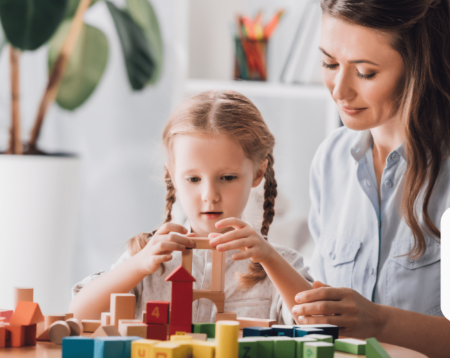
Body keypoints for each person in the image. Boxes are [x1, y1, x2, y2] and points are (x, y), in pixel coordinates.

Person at [291, 0, 450, 358]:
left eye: (365, 72)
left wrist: (379, 322)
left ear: (420, 66)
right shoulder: (331, 160)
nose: (340, 90)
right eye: (329, 63)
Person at [69, 90, 313, 324]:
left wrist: (269, 258)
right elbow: (79, 314)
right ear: (173, 175)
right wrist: (140, 264)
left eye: (227, 178)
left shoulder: (280, 264)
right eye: (193, 179)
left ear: (258, 172)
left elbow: (315, 323)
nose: (209, 195)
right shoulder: (148, 256)